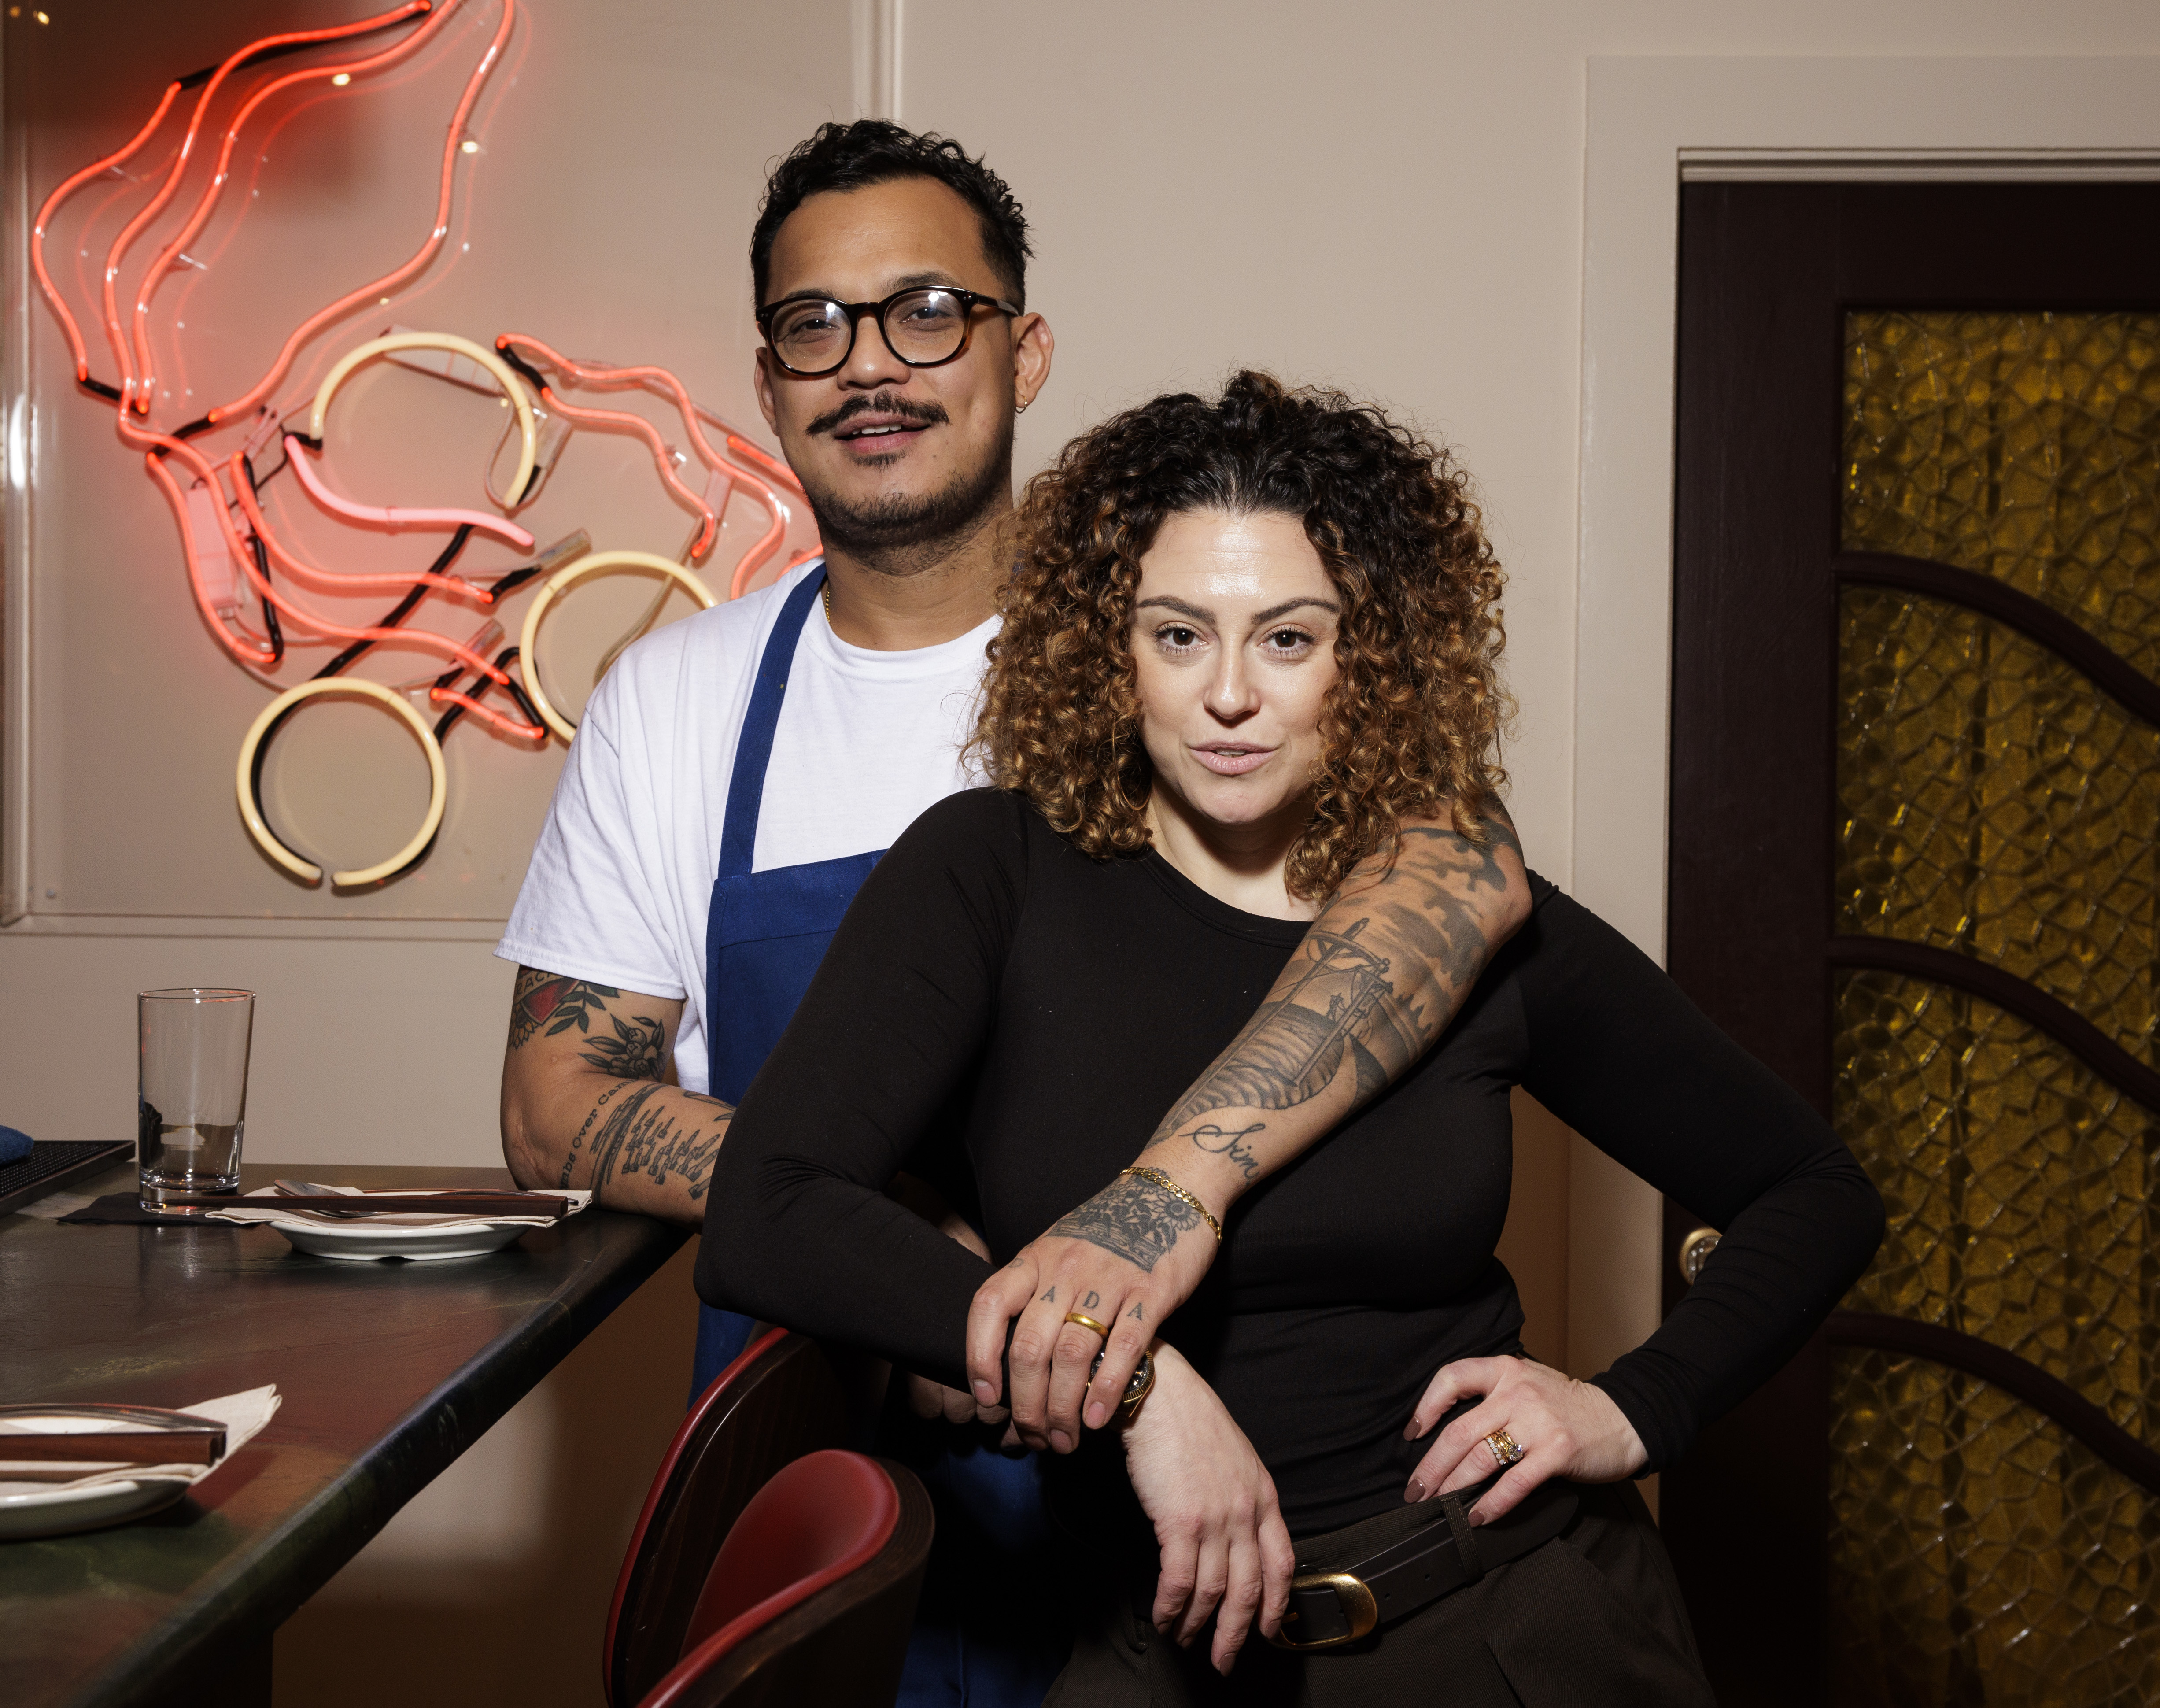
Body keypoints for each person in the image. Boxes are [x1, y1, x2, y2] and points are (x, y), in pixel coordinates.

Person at [495, 125, 1530, 1706]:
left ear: (1024, 351)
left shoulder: (1181, 652)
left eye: (928, 312)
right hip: (816, 1468)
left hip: (1170, 1488)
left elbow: (1458, 864)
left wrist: (1078, 1305)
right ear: (767, 381)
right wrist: (924, 1269)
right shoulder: (678, 698)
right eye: (813, 325)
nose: (869, 364)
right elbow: (554, 1102)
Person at [701, 373, 1886, 1704]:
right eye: (1177, 634)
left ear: (1369, 657)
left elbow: (1814, 1191)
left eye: (1286, 639)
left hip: (1504, 1621)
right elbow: (768, 1209)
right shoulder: (993, 872)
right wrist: (1137, 1387)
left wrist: (1629, 1408)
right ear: (1106, 646)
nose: (1227, 695)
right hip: (1154, 1643)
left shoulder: (1463, 914)